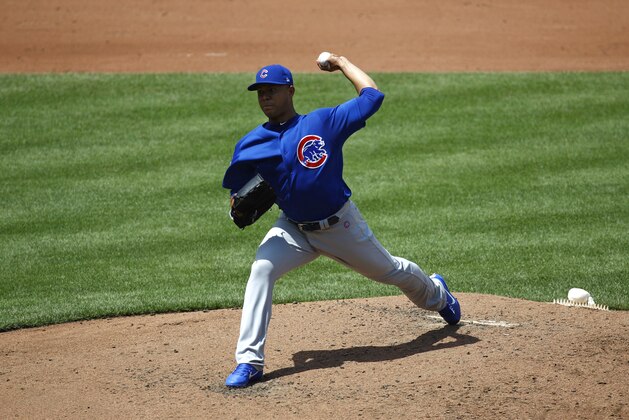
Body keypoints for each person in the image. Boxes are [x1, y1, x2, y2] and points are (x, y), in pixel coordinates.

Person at [221, 53, 461, 388]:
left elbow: (372, 96)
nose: (265, 97)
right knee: (262, 268)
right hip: (293, 229)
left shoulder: (323, 123)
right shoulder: (250, 144)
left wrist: (342, 63)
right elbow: (237, 194)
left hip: (340, 226)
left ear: (290, 90)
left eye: (272, 90)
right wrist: (237, 206)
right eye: (260, 92)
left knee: (390, 271)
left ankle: (438, 294)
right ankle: (249, 362)